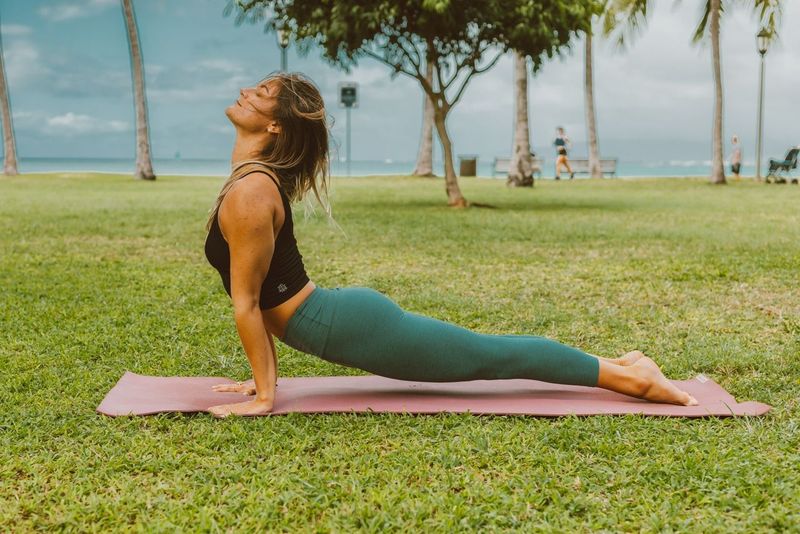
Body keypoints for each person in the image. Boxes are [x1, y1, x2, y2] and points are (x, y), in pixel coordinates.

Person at [204, 72, 698, 417]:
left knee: (491, 356)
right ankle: (628, 366)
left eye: (262, 92)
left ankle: (634, 380)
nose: (246, 90)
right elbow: (261, 298)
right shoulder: (253, 182)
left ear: (275, 126)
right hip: (335, 320)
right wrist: (262, 378)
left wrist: (265, 396)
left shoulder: (250, 190)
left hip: (349, 326)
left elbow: (249, 302)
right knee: (490, 354)